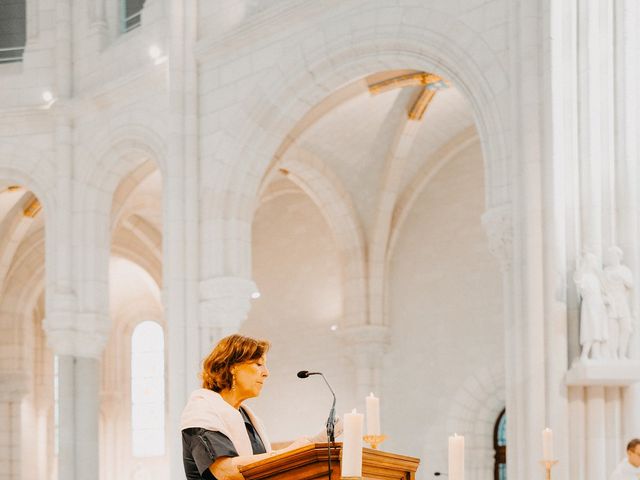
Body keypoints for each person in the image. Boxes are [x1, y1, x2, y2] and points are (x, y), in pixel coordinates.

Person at [181, 334, 340, 480]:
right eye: (259, 364)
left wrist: (309, 447)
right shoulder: (202, 411)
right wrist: (291, 453)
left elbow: (266, 469)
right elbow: (225, 472)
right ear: (232, 367)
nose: (266, 373)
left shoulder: (249, 418)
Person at [574, 252, 609, 360]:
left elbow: (603, 290)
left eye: (595, 261)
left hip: (598, 303)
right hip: (589, 304)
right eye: (592, 261)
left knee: (598, 328)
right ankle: (585, 354)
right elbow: (578, 281)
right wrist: (582, 265)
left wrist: (604, 300)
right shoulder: (583, 276)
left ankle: (596, 354)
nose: (594, 264)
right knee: (591, 327)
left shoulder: (596, 277)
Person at [604, 246, 634, 359]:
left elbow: (631, 285)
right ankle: (613, 354)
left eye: (614, 255)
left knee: (626, 328)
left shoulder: (624, 270)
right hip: (611, 302)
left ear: (619, 257)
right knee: (612, 330)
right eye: (610, 256)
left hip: (622, 301)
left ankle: (622, 353)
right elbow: (602, 288)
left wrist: (621, 276)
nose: (612, 258)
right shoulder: (606, 271)